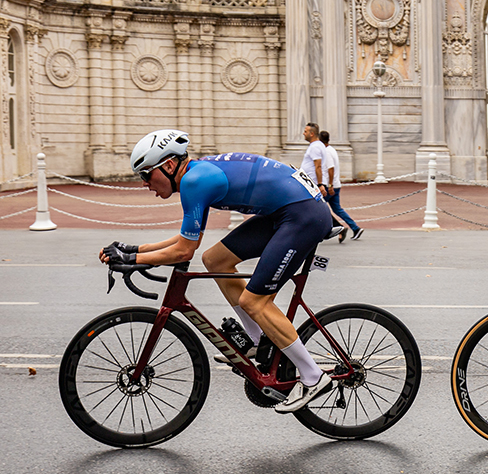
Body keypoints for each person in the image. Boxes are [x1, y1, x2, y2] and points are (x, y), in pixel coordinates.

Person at [99, 129, 335, 413]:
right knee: (216, 260)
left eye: (146, 175)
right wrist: (136, 250)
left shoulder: (195, 181)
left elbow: (184, 251)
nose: (145, 183)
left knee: (253, 301)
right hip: (285, 211)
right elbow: (188, 242)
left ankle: (313, 377)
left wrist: (135, 259)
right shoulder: (196, 176)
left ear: (169, 165)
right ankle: (259, 342)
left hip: (303, 216)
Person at [319, 130, 364, 242]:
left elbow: (330, 168)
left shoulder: (326, 152)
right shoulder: (332, 150)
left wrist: (329, 185)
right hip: (336, 184)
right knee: (337, 209)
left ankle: (337, 228)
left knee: (319, 209)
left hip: (331, 186)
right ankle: (355, 228)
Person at [302, 122, 328, 200]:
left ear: (312, 134)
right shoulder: (317, 145)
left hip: (314, 184)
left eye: (305, 132)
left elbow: (318, 166)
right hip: (313, 183)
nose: (303, 133)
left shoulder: (315, 147)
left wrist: (320, 184)